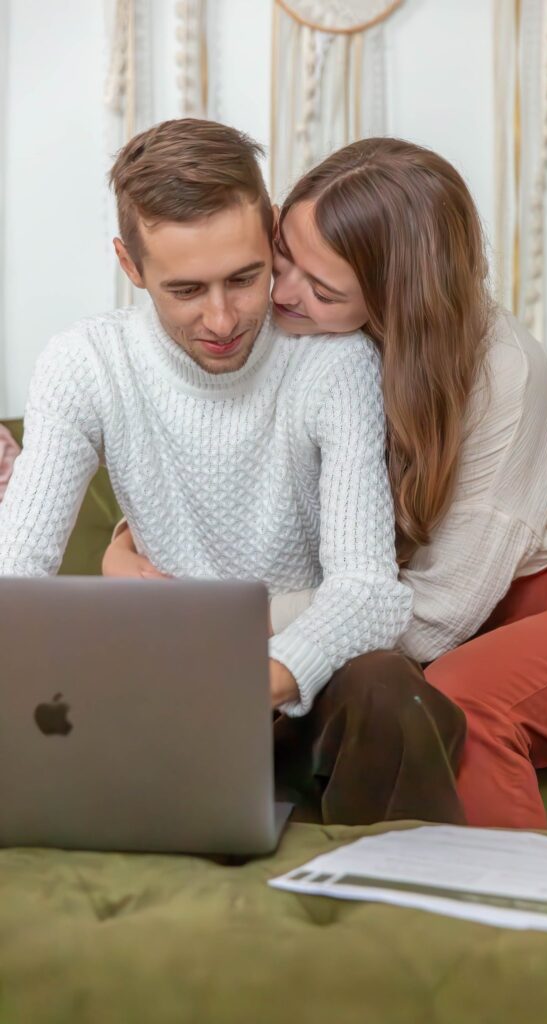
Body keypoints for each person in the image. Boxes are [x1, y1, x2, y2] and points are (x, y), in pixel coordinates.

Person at [108, 135, 547, 831]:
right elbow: (202, 456)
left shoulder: (499, 369)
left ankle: (504, 927)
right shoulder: (273, 331)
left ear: (394, 301)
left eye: (322, 289)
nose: (281, 295)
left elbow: (437, 614)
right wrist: (127, 542)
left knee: (459, 704)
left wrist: (236, 615)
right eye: (281, 259)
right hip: (413, 610)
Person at [0, 121, 466, 828]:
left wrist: (257, 681)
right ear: (129, 264)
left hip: (302, 677)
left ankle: (408, 912)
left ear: (272, 229)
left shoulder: (333, 363)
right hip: (166, 678)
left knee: (383, 686)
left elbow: (369, 593)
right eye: (185, 289)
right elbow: (17, 575)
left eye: (245, 278)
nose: (222, 319)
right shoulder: (84, 364)